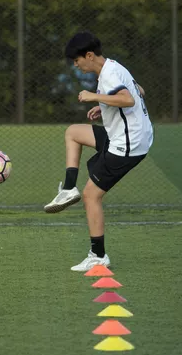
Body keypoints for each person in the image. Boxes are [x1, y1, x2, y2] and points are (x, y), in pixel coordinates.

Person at [44, 31, 153, 271]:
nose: (76, 65)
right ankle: (68, 189)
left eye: (77, 60)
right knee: (73, 132)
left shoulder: (109, 73)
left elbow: (129, 99)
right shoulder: (114, 67)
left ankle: (98, 255)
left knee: (91, 195)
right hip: (129, 136)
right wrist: (104, 106)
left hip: (128, 145)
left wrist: (94, 97)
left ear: (90, 55)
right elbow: (140, 91)